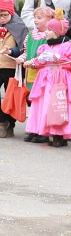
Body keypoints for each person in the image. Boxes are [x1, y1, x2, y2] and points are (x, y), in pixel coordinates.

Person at [23, 18, 71, 147]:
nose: (46, 32)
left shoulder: (67, 45)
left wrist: (58, 58)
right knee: (44, 104)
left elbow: (69, 62)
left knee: (56, 105)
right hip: (45, 79)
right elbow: (40, 61)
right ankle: (45, 131)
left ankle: (59, 134)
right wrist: (32, 62)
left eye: (49, 30)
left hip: (59, 79)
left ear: (56, 32)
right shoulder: (46, 46)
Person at [0, 0, 28, 138]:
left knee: (11, 98)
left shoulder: (19, 26)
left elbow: (23, 49)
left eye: (5, 15)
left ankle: (11, 124)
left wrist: (11, 51)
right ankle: (1, 121)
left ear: (12, 13)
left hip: (12, 68)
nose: (2, 18)